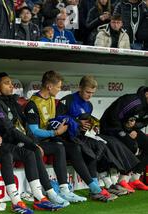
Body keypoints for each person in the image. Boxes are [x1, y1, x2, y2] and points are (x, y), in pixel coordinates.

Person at [25, 70, 116, 202]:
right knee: (60, 147)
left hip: (53, 137)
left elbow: (57, 121)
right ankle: (66, 189)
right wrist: (55, 132)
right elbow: (34, 131)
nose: (60, 89)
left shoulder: (51, 99)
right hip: (37, 141)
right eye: (58, 87)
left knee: (78, 146)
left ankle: (88, 187)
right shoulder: (32, 104)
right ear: (50, 86)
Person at [0, 73, 67, 214]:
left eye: (11, 82)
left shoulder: (11, 101)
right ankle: (16, 202)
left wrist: (32, 142)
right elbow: (8, 128)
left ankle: (40, 197)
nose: (11, 85)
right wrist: (32, 143)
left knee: (30, 153)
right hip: (0, 144)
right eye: (6, 83)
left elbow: (24, 124)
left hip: (14, 142)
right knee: (14, 153)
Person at [60, 75, 139, 196]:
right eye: (87, 92)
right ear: (80, 87)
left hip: (80, 136)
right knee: (89, 149)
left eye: (92, 93)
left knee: (101, 145)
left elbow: (85, 125)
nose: (90, 95)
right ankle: (98, 186)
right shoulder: (67, 100)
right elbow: (57, 120)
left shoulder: (89, 105)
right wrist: (76, 123)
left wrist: (90, 127)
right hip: (65, 137)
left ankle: (107, 182)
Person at [100, 86, 148, 191]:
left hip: (128, 128)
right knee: (130, 144)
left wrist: (132, 129)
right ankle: (122, 180)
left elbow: (143, 122)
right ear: (147, 94)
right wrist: (127, 131)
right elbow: (113, 116)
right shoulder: (134, 101)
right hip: (110, 127)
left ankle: (135, 178)